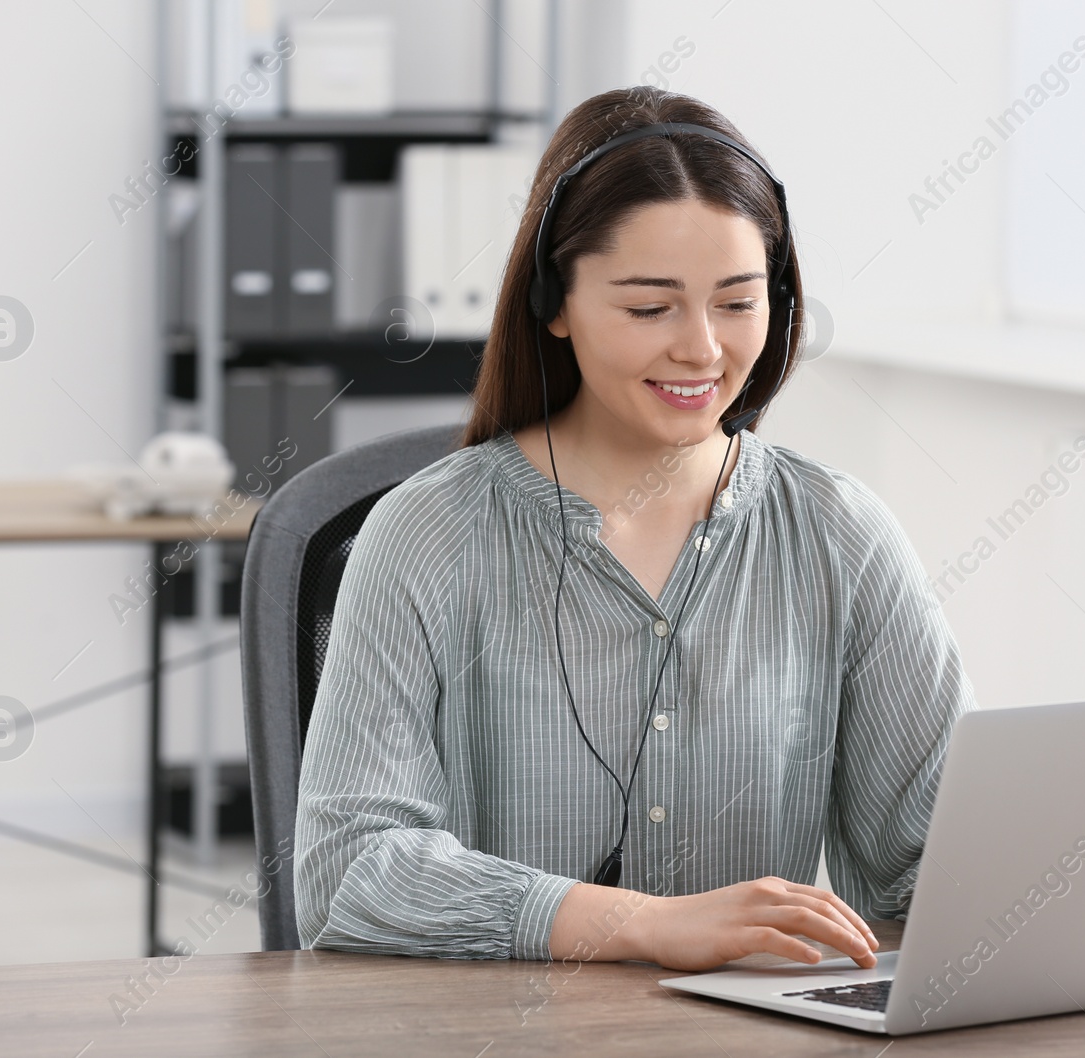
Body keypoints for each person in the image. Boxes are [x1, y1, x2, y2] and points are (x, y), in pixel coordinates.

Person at [294, 86, 976, 973]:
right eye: (651, 308)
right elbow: (347, 871)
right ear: (554, 301)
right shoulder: (426, 535)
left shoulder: (840, 536)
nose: (701, 349)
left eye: (737, 303)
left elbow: (932, 861)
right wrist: (638, 924)